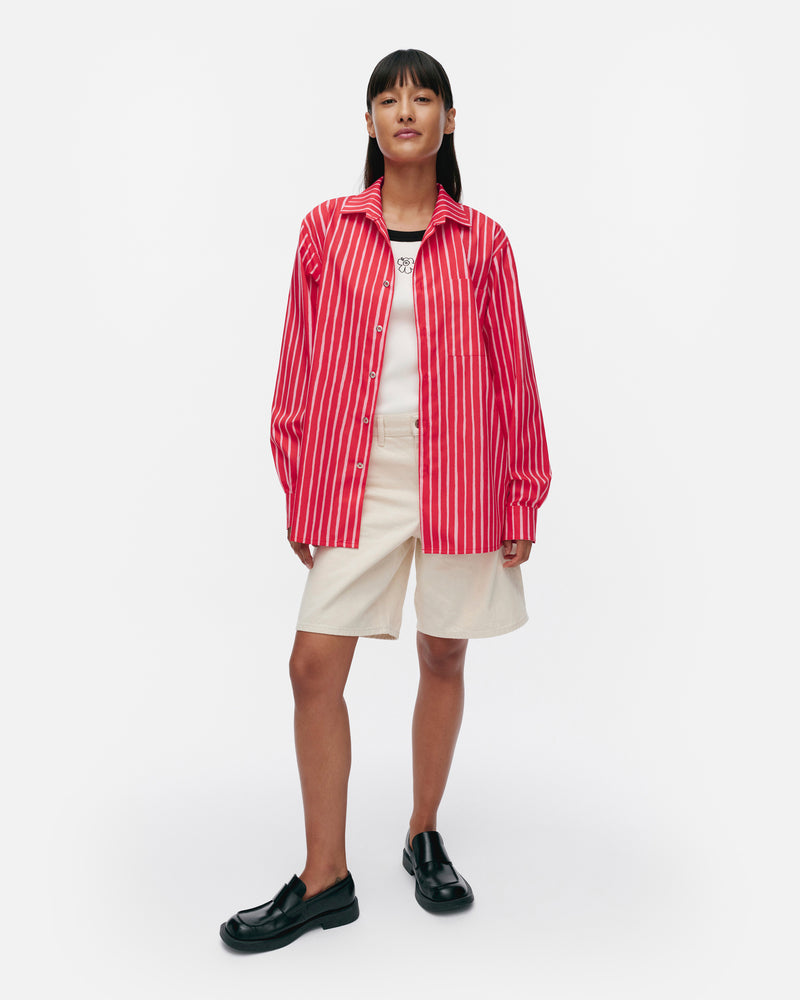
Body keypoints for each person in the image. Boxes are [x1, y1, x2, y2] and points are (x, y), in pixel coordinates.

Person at [219, 48, 552, 953]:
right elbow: (298, 363)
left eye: (424, 96)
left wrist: (524, 491)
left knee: (443, 652)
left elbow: (514, 373)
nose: (406, 110)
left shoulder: (484, 242)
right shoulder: (325, 231)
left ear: (449, 119)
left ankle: (422, 834)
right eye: (389, 98)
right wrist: (301, 482)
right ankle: (324, 876)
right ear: (368, 121)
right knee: (312, 667)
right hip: (354, 476)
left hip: (462, 472)